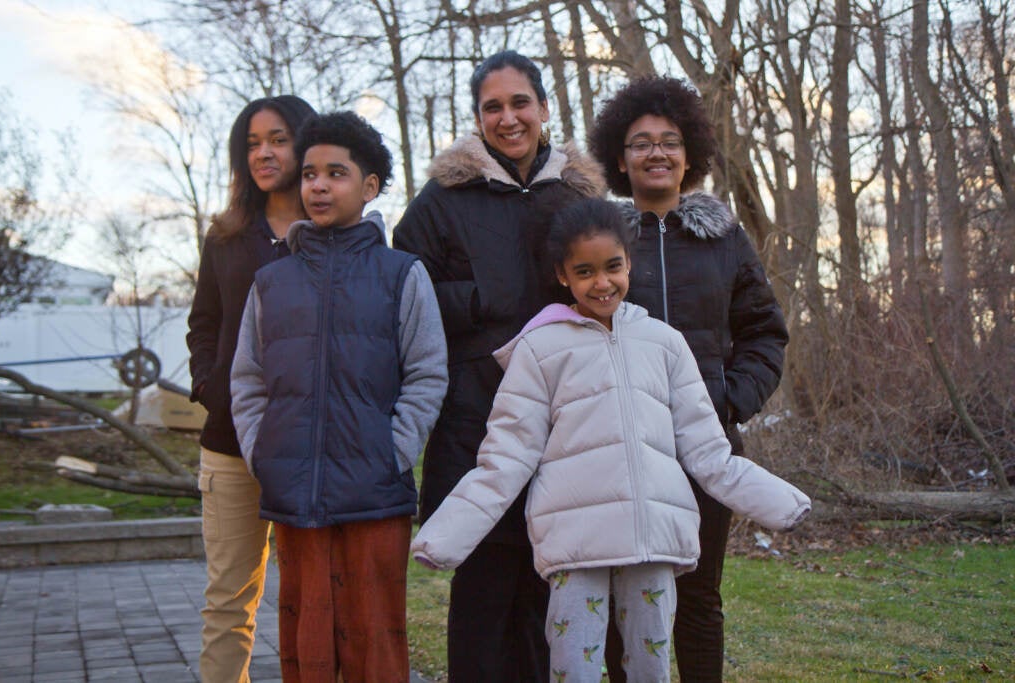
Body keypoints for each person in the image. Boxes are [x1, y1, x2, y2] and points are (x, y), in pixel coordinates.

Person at [410, 198, 810, 683]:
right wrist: (445, 536)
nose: (602, 283)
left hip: (653, 545)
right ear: (563, 275)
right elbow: (506, 458)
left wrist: (780, 503)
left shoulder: (665, 344)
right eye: (585, 271)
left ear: (628, 263)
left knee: (650, 668)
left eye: (612, 267)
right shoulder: (539, 350)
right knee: (573, 668)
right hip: (576, 549)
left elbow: (708, 451)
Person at [392, 50, 605, 682]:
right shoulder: (443, 199)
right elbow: (404, 290)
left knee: (550, 586)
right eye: (493, 107)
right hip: (475, 422)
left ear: (543, 108)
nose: (508, 118)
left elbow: (614, 285)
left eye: (520, 103)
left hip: (566, 423)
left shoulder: (580, 196)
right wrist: (481, 298)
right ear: (478, 117)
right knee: (484, 589)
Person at [229, 111, 448, 683]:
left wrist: (393, 451)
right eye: (309, 174)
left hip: (376, 495)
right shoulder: (271, 281)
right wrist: (262, 453)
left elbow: (428, 373)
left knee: (375, 641)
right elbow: (248, 381)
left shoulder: (402, 274)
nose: (318, 186)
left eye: (336, 173)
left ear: (369, 186)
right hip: (294, 494)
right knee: (307, 641)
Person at [588, 75, 791, 682]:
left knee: (698, 600)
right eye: (641, 142)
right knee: (626, 605)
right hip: (621, 450)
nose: (656, 153)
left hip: (706, 452)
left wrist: (732, 401)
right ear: (620, 159)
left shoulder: (725, 238)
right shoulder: (601, 240)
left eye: (669, 141)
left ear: (689, 154)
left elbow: (764, 331)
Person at [186, 94, 316, 683]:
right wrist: (211, 388)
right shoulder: (226, 236)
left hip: (313, 446)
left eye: (279, 139)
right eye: (253, 143)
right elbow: (203, 323)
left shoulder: (333, 232)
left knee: (314, 601)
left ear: (305, 143)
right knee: (228, 602)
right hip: (229, 447)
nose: (264, 152)